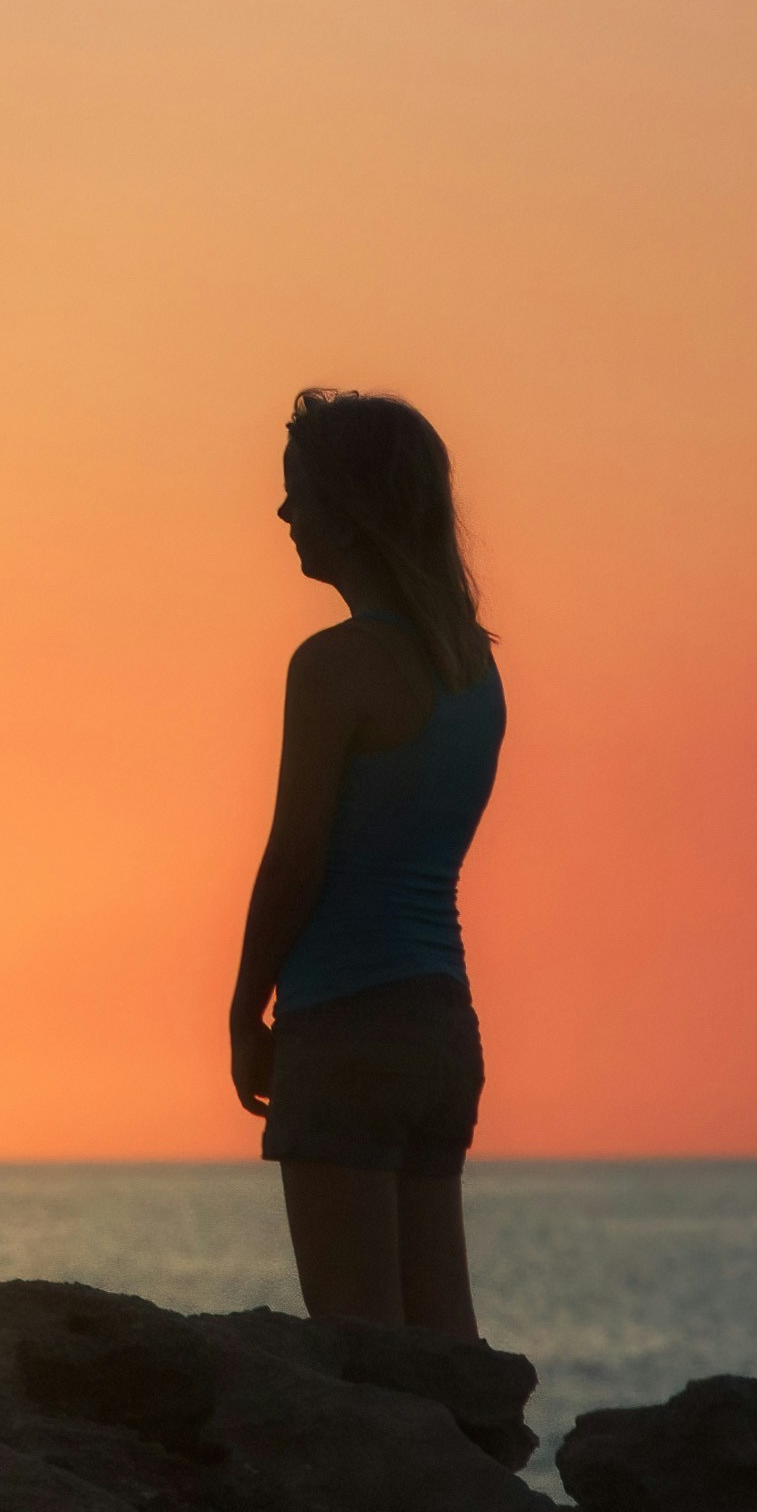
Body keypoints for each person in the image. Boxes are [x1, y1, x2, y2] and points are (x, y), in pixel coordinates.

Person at [226, 389, 502, 1337]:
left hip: (343, 1026)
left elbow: (295, 860)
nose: (284, 513)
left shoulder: (335, 665)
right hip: (438, 1028)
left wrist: (242, 1008)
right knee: (445, 1348)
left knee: (362, 1358)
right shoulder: (472, 667)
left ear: (352, 506)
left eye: (298, 491)